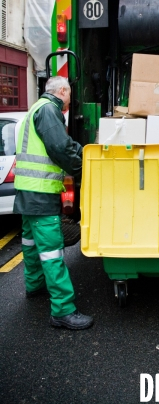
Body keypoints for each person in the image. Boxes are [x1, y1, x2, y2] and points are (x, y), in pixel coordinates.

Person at [14, 76, 93, 330]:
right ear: (62, 91)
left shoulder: (35, 108)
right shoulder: (50, 110)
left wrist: (81, 150)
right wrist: (83, 167)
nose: (71, 99)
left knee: (29, 241)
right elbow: (60, 147)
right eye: (70, 93)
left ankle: (35, 285)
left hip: (27, 190)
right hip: (41, 193)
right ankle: (62, 309)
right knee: (51, 250)